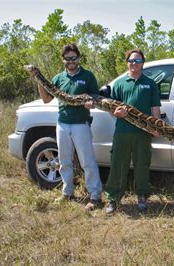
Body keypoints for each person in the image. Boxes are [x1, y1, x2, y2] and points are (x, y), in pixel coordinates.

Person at [33, 43, 102, 211]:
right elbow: (46, 99)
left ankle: (95, 195)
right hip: (63, 124)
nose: (71, 61)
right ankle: (67, 192)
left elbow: (96, 99)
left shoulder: (88, 76)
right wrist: (39, 81)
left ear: (78, 58)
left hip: (81, 125)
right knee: (64, 161)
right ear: (63, 60)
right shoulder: (58, 78)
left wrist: (90, 104)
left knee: (87, 161)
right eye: (67, 58)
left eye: (73, 58)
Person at [105, 49, 161, 214]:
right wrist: (116, 113)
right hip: (122, 131)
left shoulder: (150, 83)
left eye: (137, 61)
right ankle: (113, 198)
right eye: (131, 60)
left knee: (142, 165)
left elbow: (155, 108)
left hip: (142, 133)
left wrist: (156, 127)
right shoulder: (120, 83)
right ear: (127, 62)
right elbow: (111, 108)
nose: (133, 63)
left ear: (143, 63)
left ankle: (142, 196)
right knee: (118, 164)